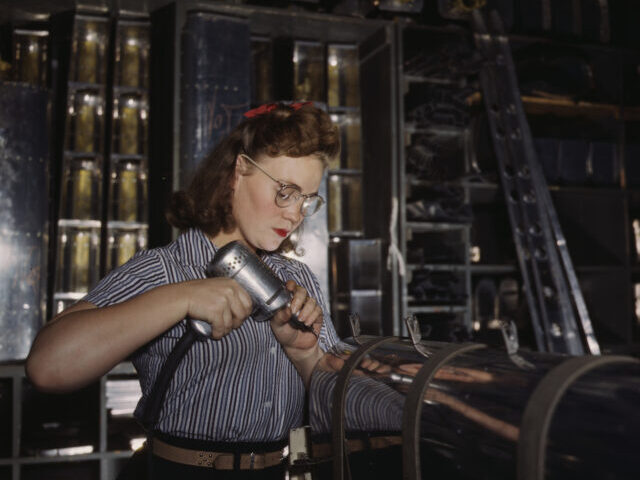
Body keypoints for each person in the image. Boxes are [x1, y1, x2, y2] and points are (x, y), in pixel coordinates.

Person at [26, 102, 342, 479]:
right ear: (239, 171)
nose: (294, 215)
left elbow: (337, 412)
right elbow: (47, 368)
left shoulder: (299, 281)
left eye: (306, 200)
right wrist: (181, 297)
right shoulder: (164, 269)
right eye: (285, 192)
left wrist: (307, 356)